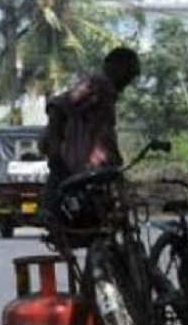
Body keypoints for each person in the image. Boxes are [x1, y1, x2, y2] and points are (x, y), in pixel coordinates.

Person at [39, 46, 141, 227]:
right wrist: (54, 149)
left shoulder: (107, 92)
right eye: (129, 75)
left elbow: (103, 133)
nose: (128, 82)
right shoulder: (99, 84)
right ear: (118, 68)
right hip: (81, 165)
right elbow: (59, 106)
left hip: (96, 166)